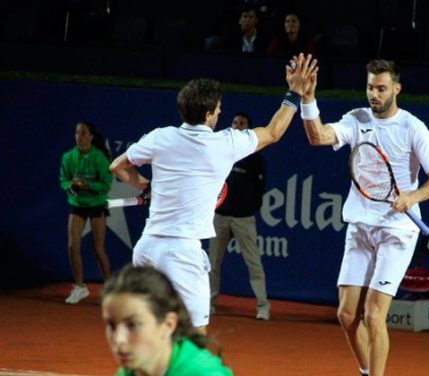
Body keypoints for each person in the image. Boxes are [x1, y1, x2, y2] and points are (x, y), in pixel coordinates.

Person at [109, 53, 317, 335]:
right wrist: (294, 92)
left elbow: (118, 167)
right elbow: (273, 132)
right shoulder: (224, 144)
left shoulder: (160, 136)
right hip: (181, 253)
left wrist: (147, 187)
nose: (220, 113)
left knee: (148, 337)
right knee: (195, 339)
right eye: (218, 109)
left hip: (146, 249)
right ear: (208, 114)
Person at [299, 59, 429, 376]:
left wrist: (413, 196)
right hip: (360, 228)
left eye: (381, 88)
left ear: (396, 88)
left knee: (373, 314)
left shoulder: (412, 127)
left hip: (397, 232)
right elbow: (318, 136)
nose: (374, 94)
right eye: (370, 87)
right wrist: (308, 99)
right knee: (346, 314)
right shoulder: (357, 119)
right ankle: (367, 371)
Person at [102, 264, 233, 376]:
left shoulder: (204, 373)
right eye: (111, 325)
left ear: (168, 325)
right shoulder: (130, 371)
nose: (119, 339)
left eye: (133, 325)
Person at [209, 112, 270, 320]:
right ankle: (209, 304)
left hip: (244, 219)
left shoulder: (255, 158)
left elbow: (259, 190)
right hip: (220, 218)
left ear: (249, 129)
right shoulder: (221, 152)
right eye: (234, 122)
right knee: (213, 263)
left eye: (242, 123)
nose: (237, 126)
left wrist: (248, 208)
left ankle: (263, 307)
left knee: (254, 264)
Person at [59, 121, 113, 304]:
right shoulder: (68, 157)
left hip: (97, 204)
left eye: (83, 133)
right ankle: (80, 287)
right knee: (72, 246)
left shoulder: (100, 158)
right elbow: (63, 181)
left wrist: (87, 184)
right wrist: (72, 187)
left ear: (91, 136)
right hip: (77, 205)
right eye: (77, 133)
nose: (79, 137)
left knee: (98, 248)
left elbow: (106, 185)